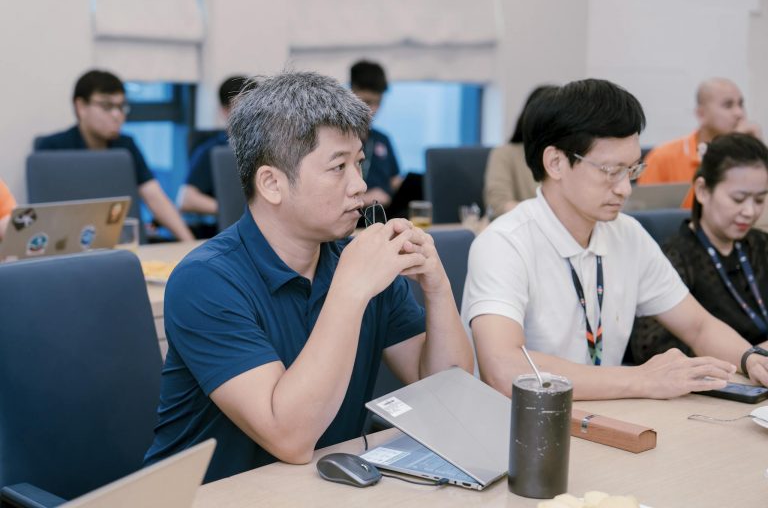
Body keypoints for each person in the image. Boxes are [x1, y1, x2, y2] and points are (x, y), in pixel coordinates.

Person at [144, 71, 473, 482]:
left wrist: (437, 287)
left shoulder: (356, 263)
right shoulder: (205, 281)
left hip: (319, 490)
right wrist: (350, 291)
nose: (361, 185)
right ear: (272, 184)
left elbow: (450, 398)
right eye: (338, 167)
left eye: (359, 163)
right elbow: (290, 438)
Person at [461, 78, 768, 401]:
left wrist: (751, 359)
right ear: (555, 163)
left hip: (606, 417)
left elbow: (699, 327)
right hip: (518, 430)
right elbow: (503, 367)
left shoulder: (627, 234)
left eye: (632, 170)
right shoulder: (504, 243)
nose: (625, 188)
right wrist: (640, 380)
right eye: (611, 171)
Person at [631, 133, 768, 363]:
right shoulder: (673, 258)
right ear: (703, 190)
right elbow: (653, 351)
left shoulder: (761, 245)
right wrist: (752, 355)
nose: (750, 211)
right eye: (738, 199)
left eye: (760, 200)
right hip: (717, 386)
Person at [36, 69, 194, 242]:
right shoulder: (53, 148)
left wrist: (190, 243)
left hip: (123, 243)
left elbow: (154, 196)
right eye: (107, 106)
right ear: (81, 106)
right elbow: (46, 216)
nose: (117, 115)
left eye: (121, 107)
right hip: (68, 246)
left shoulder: (126, 146)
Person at [639, 77, 764, 208]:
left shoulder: (747, 156)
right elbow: (646, 215)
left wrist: (757, 148)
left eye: (741, 104)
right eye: (728, 105)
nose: (739, 113)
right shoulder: (662, 157)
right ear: (701, 114)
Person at [178, 76, 249, 230]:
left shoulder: (270, 147)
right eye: (243, 107)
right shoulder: (212, 150)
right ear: (224, 110)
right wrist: (232, 210)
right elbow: (186, 199)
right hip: (228, 230)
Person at [483, 85, 554, 218]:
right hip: (516, 230)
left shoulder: (568, 158)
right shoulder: (505, 154)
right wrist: (548, 218)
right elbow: (498, 204)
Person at [350, 60, 404, 208]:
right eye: (367, 102)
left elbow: (395, 181)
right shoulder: (338, 139)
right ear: (351, 93)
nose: (372, 110)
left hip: (386, 218)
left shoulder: (383, 139)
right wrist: (366, 199)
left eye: (378, 103)